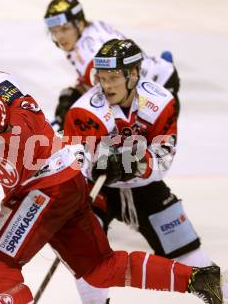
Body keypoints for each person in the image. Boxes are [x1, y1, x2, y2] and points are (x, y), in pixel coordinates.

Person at [0, 28, 222, 304]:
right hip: (61, 184)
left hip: (45, 183)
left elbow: (32, 137)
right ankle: (198, 278)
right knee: (99, 268)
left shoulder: (1, 88)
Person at [63, 38, 226, 304]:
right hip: (99, 190)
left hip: (144, 188)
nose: (106, 85)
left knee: (189, 254)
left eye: (114, 77)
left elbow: (163, 159)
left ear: (134, 74)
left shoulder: (161, 102)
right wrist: (92, 165)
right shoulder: (83, 110)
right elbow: (74, 160)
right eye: (101, 77)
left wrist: (132, 163)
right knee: (83, 254)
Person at [43, 0, 180, 131]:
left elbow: (106, 95)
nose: (59, 36)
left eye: (64, 29)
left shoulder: (88, 51)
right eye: (54, 31)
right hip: (156, 75)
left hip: (158, 91)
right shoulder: (90, 30)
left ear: (79, 24)